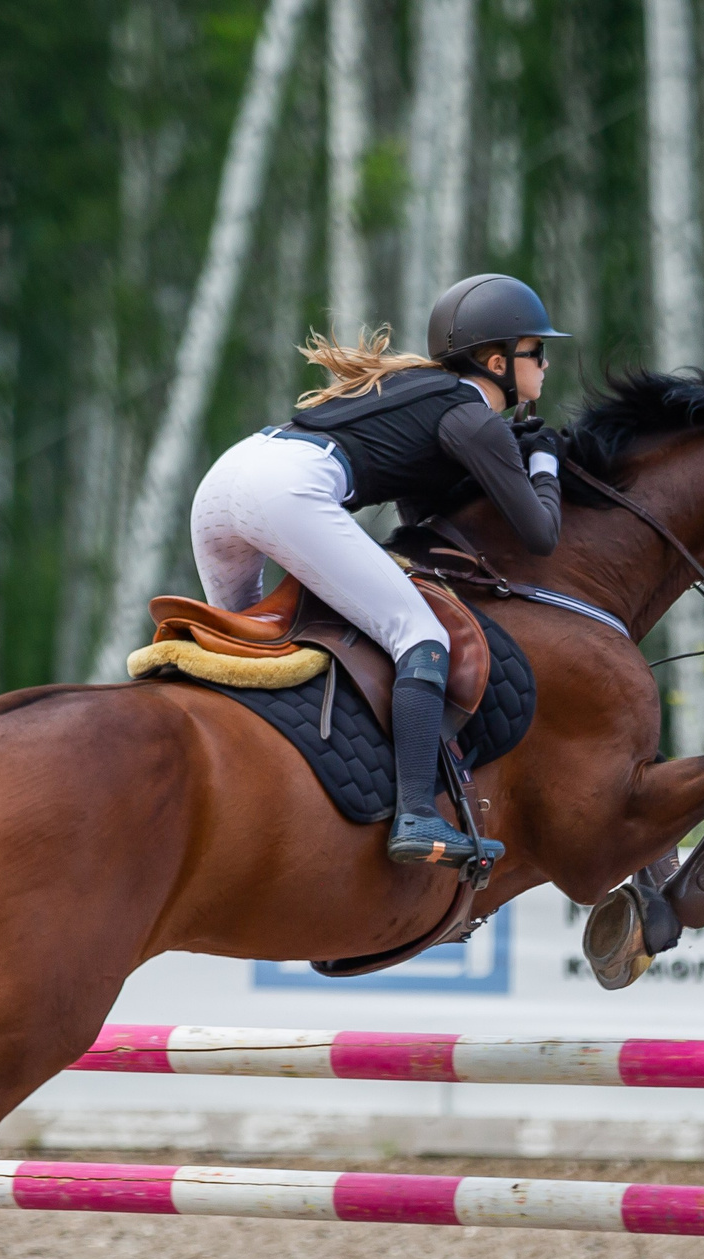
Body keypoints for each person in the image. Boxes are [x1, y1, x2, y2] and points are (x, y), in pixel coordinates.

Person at [187, 272, 569, 870]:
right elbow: (541, 536)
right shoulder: (473, 416)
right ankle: (416, 812)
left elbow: (420, 519)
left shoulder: (424, 391)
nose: (545, 365)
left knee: (246, 647)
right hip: (289, 487)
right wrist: (544, 460)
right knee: (419, 635)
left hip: (229, 475)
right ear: (498, 361)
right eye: (536, 351)